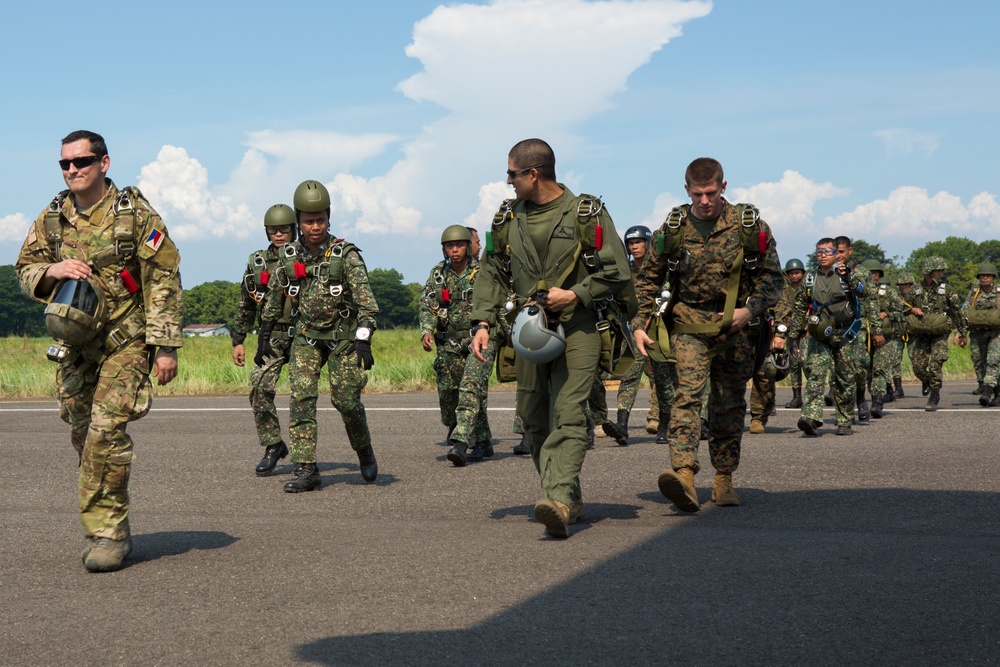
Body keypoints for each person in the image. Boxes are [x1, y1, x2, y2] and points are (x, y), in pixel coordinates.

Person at [16, 130, 183, 572]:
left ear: (103, 163)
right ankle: (112, 520)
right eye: (65, 164)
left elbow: (163, 279)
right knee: (83, 435)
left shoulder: (134, 215)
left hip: (125, 344)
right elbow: (24, 269)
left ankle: (106, 536)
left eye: (82, 162)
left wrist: (165, 346)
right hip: (73, 347)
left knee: (105, 434)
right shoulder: (53, 217)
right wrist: (51, 269)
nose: (73, 170)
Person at [470, 138, 632, 538]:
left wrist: (576, 293)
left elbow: (618, 270)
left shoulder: (585, 212)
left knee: (571, 412)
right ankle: (568, 497)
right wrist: (483, 323)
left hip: (579, 326)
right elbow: (490, 272)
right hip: (529, 330)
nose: (508, 181)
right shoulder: (506, 219)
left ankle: (556, 499)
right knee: (534, 420)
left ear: (533, 174)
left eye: (512, 173)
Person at [633, 158, 783, 512]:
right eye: (698, 194)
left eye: (711, 193)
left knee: (729, 402)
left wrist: (749, 311)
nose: (704, 201)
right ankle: (683, 475)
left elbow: (772, 279)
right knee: (688, 396)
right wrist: (639, 324)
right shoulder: (672, 229)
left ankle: (724, 478)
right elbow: (647, 281)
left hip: (737, 328)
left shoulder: (749, 226)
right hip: (690, 324)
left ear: (724, 187)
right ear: (686, 190)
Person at [258, 180, 379, 492]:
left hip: (342, 339)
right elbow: (273, 299)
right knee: (301, 399)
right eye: (309, 221)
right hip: (306, 339)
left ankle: (363, 448)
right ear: (299, 221)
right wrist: (263, 337)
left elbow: (368, 304)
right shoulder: (288, 258)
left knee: (347, 401)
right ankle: (307, 469)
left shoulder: (346, 255)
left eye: (321, 220)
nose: (315, 226)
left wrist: (363, 339)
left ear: (329, 218)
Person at [419, 225, 493, 465]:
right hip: (449, 343)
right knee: (449, 394)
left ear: (468, 246)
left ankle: (461, 442)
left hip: (479, 340)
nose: (455, 250)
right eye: (450, 246)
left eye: (459, 245)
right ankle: (481, 441)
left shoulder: (484, 272)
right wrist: (427, 330)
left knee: (470, 389)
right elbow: (428, 304)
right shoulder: (438, 274)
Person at [785, 238, 875, 436]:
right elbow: (800, 307)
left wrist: (849, 277)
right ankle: (812, 417)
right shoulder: (810, 278)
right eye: (819, 252)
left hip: (846, 333)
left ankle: (844, 421)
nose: (823, 255)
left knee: (844, 378)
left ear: (836, 254)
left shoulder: (848, 275)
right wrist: (792, 335)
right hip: (820, 334)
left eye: (827, 251)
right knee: (815, 373)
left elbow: (866, 292)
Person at [231, 204, 297, 475]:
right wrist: (238, 339)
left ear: (293, 229)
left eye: (283, 229)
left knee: (302, 395)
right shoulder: (257, 261)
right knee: (259, 388)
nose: (279, 235)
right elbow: (246, 302)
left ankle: (306, 456)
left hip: (305, 336)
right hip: (271, 337)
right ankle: (273, 444)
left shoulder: (306, 256)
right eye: (273, 231)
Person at [907, 256, 968, 411]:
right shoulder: (915, 289)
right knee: (918, 366)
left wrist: (962, 333)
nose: (941, 273)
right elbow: (903, 307)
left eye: (942, 270)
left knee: (936, 364)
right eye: (938, 270)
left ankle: (934, 395)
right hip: (920, 333)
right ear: (928, 272)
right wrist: (912, 309)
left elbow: (957, 311)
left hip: (939, 334)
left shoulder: (946, 290)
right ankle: (926, 381)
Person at [835, 237, 883, 422]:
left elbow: (871, 301)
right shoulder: (826, 272)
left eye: (842, 251)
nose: (838, 256)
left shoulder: (862, 273)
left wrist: (877, 330)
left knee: (860, 367)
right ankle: (845, 410)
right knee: (838, 370)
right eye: (835, 252)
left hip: (857, 326)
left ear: (849, 251)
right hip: (835, 326)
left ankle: (861, 400)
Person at [861, 260, 906, 417]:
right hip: (864, 338)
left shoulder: (890, 292)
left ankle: (877, 402)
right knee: (866, 372)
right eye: (870, 272)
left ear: (880, 275)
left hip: (886, 338)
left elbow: (901, 314)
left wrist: (887, 314)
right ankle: (867, 400)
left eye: (876, 273)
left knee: (879, 369)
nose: (873, 275)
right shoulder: (859, 291)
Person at [962, 262, 1000, 406]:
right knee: (981, 362)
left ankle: (987, 391)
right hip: (978, 333)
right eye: (982, 275)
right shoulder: (975, 293)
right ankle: (997, 393)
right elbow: (965, 312)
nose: (984, 277)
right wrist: (961, 333)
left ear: (993, 277)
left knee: (993, 360)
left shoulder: (998, 292)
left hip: (996, 333)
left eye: (987, 275)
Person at [781, 259, 807, 408]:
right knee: (794, 363)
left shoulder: (808, 288)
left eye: (797, 273)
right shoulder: (785, 290)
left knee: (806, 362)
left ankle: (813, 394)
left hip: (806, 331)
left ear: (802, 273)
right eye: (791, 273)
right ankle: (797, 397)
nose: (794, 276)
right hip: (791, 331)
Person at [893, 271, 917, 398]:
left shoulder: (918, 296)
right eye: (902, 285)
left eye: (907, 284)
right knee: (895, 360)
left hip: (914, 333)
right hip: (898, 332)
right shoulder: (895, 297)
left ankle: (926, 382)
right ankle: (898, 388)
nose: (904, 287)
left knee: (917, 359)